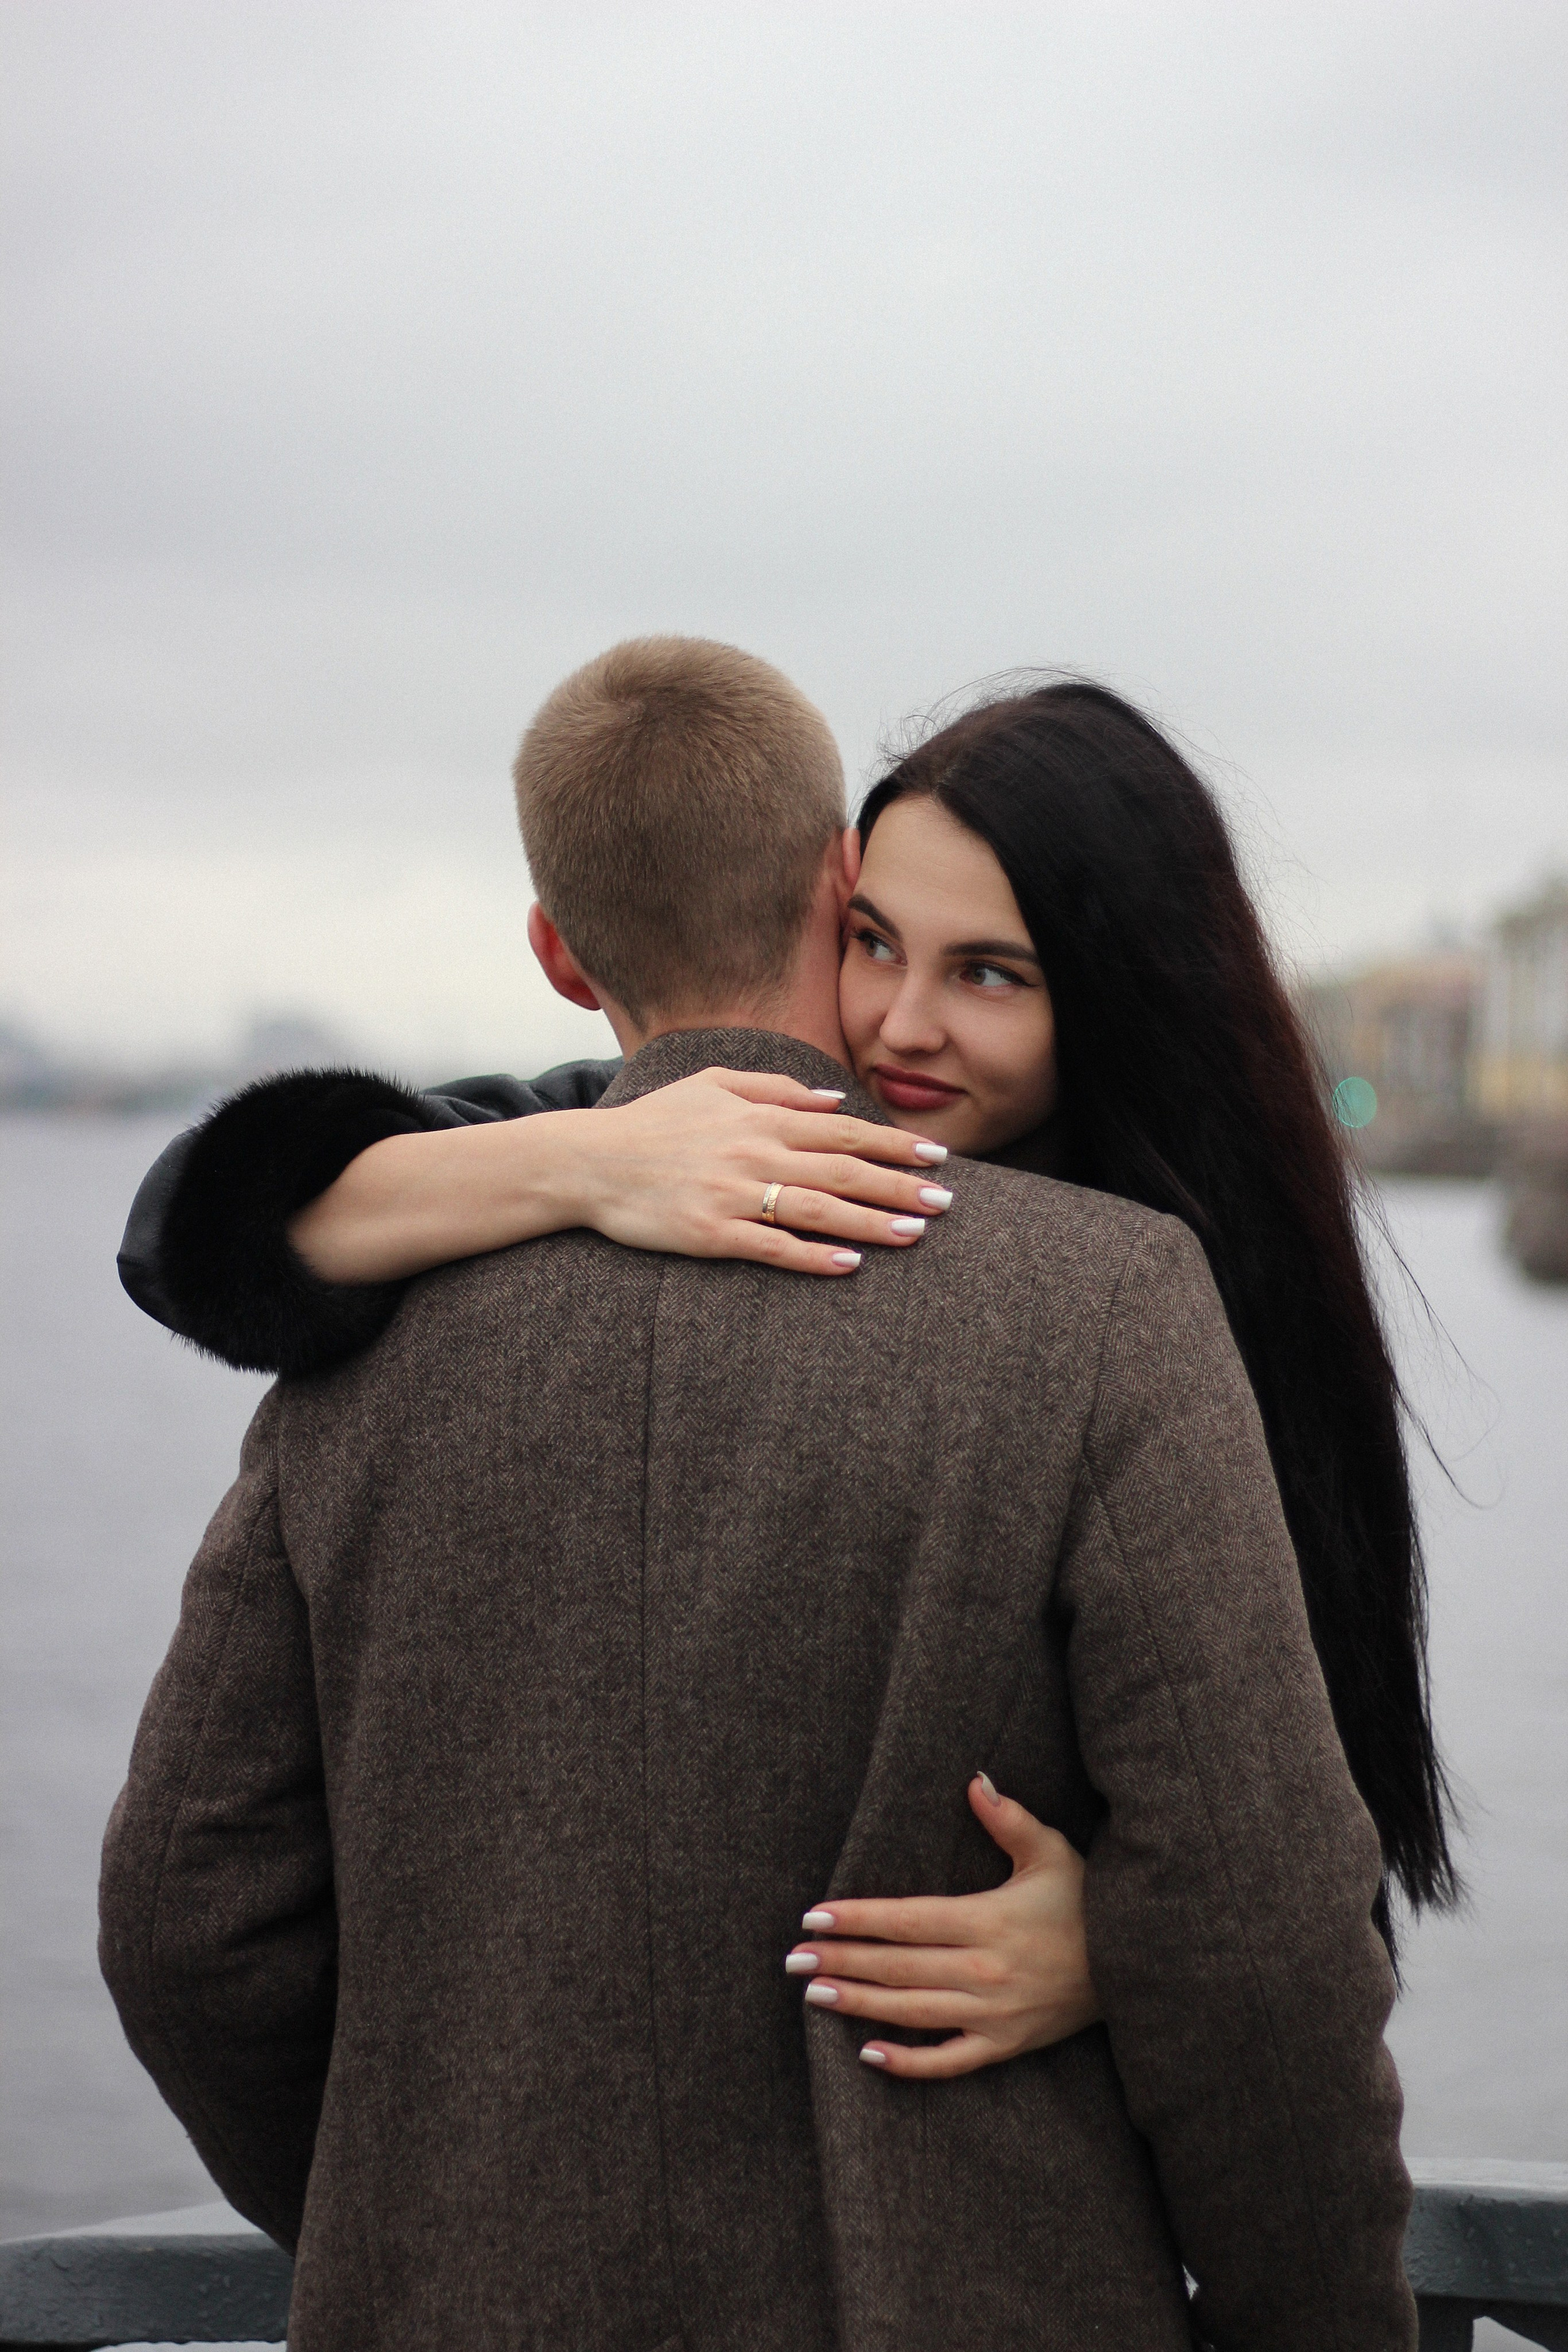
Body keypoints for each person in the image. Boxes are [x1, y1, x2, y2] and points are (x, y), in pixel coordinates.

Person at [104, 636, 1417, 2349]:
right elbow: (1276, 1960)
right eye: (877, 943)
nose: (901, 1021)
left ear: (558, 955)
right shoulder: (1100, 1304)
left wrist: (418, 2214)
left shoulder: (378, 1335)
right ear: (830, 885)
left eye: (991, 973)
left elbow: (188, 1931)